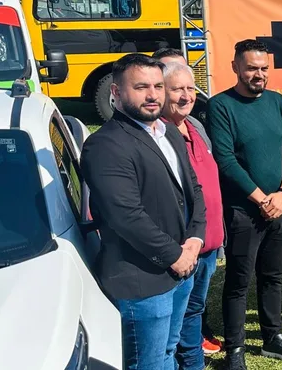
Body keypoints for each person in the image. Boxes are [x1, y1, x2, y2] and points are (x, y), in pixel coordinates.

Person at [80, 53, 206, 370]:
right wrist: (174, 256)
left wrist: (195, 240)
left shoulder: (169, 132)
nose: (153, 95)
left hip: (182, 269)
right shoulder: (106, 145)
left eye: (158, 86)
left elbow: (194, 190)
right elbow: (125, 215)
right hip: (142, 282)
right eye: (141, 87)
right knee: (146, 363)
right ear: (116, 92)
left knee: (168, 351)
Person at [208, 40, 282, 367]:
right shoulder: (220, 106)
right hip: (244, 211)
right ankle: (234, 350)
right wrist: (262, 198)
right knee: (239, 280)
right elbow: (225, 160)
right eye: (252, 68)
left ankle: (272, 337)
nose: (259, 74)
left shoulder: (277, 102)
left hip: (279, 205)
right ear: (235, 67)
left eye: (264, 68)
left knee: (273, 275)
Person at [153, 47, 223, 357]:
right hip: (181, 249)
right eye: (177, 89)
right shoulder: (156, 135)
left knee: (194, 312)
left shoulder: (197, 127)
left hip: (208, 245)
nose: (186, 96)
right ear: (161, 93)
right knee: (173, 324)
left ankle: (192, 360)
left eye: (190, 88)